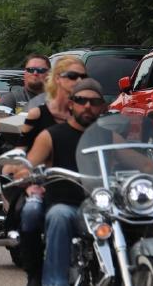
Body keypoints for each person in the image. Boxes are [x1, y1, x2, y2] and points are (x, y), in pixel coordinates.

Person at [2, 55, 86, 285]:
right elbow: (20, 154)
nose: (79, 80)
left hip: (81, 184)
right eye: (73, 76)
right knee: (31, 212)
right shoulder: (38, 114)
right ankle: (35, 273)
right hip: (42, 182)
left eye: (83, 76)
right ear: (57, 79)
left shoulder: (86, 114)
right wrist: (26, 179)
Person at [18, 79, 106, 286]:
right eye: (81, 100)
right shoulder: (51, 136)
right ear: (71, 104)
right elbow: (27, 166)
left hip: (103, 207)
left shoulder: (108, 136)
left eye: (94, 102)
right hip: (68, 205)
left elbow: (137, 161)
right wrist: (26, 175)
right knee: (58, 215)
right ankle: (55, 281)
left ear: (102, 107)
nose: (87, 106)